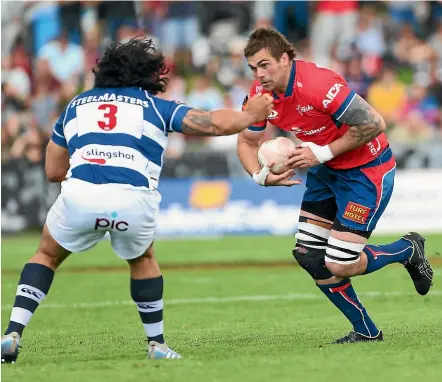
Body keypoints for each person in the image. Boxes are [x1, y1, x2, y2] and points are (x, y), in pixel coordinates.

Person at [1, 37, 273, 363]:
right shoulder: (153, 106)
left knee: (46, 254)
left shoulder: (76, 105)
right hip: (132, 199)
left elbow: (52, 170)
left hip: (81, 194)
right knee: (143, 259)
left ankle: (13, 332)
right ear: (147, 74)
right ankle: (156, 344)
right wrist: (251, 114)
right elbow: (211, 123)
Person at [237, 28, 434, 344]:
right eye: (253, 68)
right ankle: (367, 331)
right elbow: (246, 141)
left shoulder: (319, 85)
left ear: (285, 59)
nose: (259, 75)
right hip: (324, 171)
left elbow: (374, 124)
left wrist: (321, 152)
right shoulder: (262, 97)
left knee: (339, 264)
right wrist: (260, 176)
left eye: (264, 65)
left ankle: (406, 249)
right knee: (308, 255)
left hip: (366, 173)